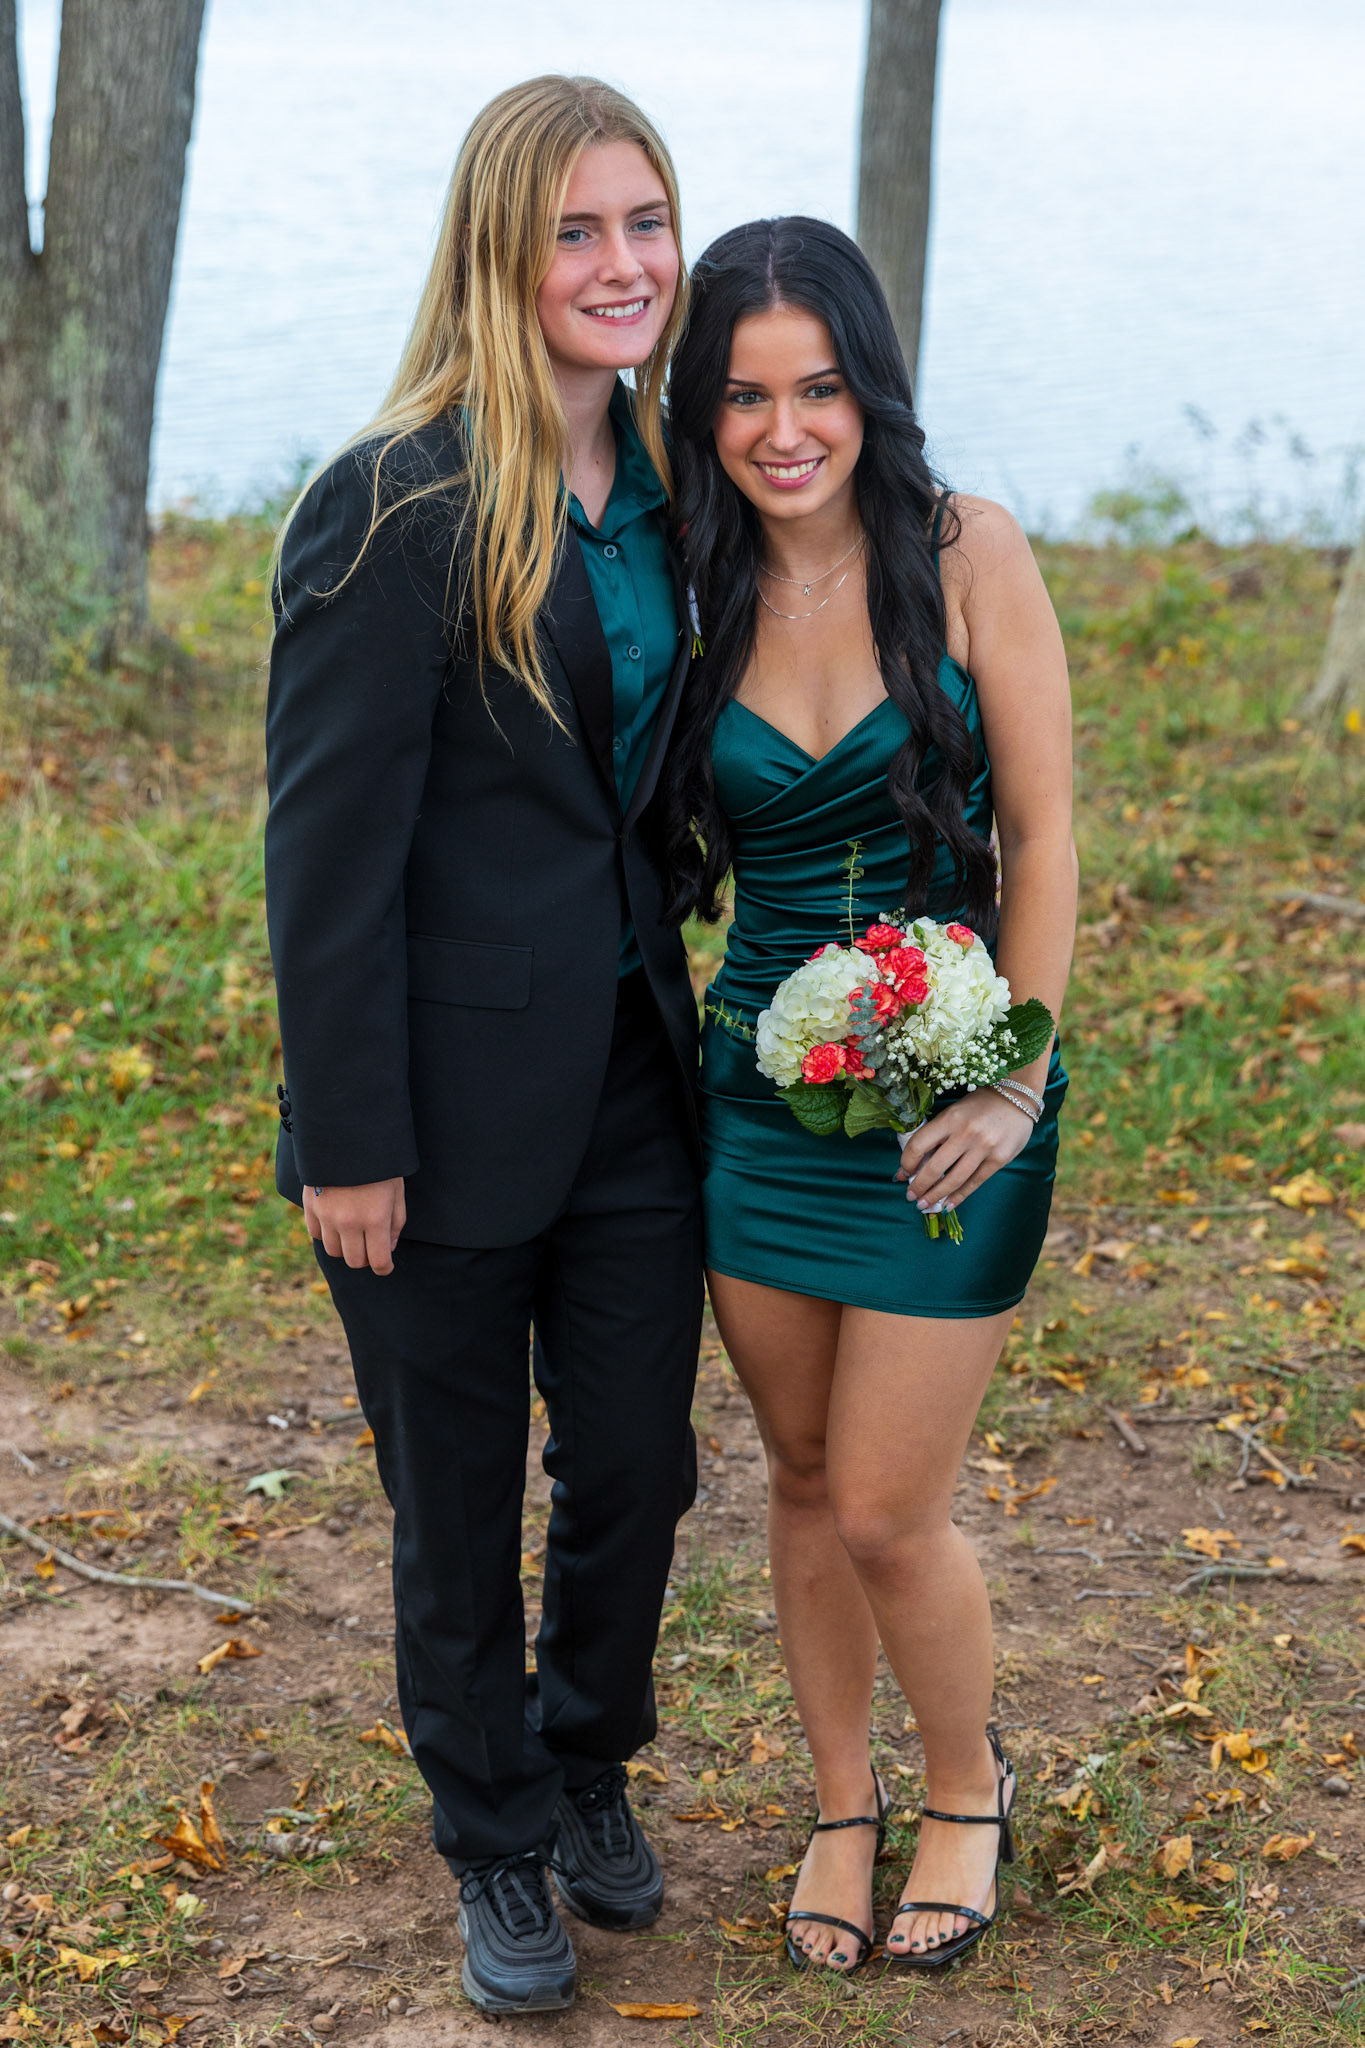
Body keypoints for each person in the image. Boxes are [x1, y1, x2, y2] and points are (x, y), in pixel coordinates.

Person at [264, 77, 703, 2016]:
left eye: (644, 222)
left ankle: (585, 1757)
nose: (620, 264)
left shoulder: (677, 488)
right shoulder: (391, 503)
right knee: (454, 1506)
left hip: (631, 1077)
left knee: (638, 1467)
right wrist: (348, 1135)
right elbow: (325, 859)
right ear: (499, 255)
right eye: (575, 231)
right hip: (430, 1118)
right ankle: (496, 1841)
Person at [661, 217, 1076, 1975]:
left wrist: (1013, 1081)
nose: (785, 430)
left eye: (818, 388)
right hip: (758, 1101)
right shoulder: (689, 581)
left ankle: (966, 1786)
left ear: (868, 391)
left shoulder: (965, 549)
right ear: (704, 409)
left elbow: (1043, 837)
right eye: (746, 395)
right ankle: (842, 1802)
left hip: (954, 1099)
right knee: (800, 1472)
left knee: (890, 1509)